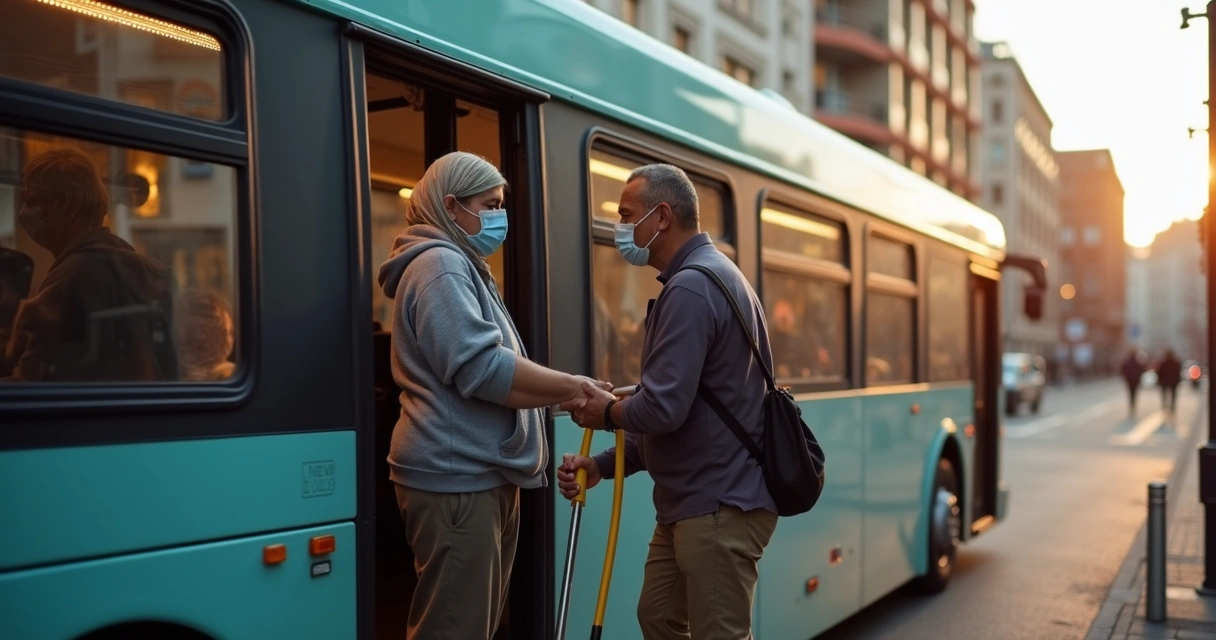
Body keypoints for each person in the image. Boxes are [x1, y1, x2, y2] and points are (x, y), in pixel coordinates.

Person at [376, 151, 609, 640]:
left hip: (475, 473)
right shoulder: (440, 265)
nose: (500, 217)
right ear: (451, 205)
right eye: (490, 205)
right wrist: (573, 387)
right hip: (458, 476)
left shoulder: (460, 264)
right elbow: (482, 368)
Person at [557, 163, 778, 639]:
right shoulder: (708, 276)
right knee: (657, 616)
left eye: (626, 214)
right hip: (692, 503)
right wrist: (603, 465)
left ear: (661, 216)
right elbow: (683, 407)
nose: (619, 226)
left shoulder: (692, 287)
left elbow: (662, 409)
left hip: (716, 504)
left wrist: (604, 412)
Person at [2, 148, 173, 382]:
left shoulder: (75, 275)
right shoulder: (127, 264)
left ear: (71, 207)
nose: (24, 214)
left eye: (34, 202)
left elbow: (33, 382)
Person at [174, 289, 236, 382]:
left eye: (231, 333)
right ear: (203, 332)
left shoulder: (227, 373)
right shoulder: (231, 374)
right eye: (227, 331)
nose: (230, 339)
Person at [1156, 348, 1182, 415]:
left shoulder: (1163, 363)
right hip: (1173, 381)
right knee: (1173, 395)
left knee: (1164, 394)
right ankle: (1172, 407)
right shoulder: (1176, 363)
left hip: (1165, 381)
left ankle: (1164, 405)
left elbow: (1159, 372)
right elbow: (1179, 372)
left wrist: (1160, 380)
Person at [1120, 348, 1145, 417]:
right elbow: (1142, 370)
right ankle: (1133, 406)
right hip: (1135, 380)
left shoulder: (1127, 362)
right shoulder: (1137, 362)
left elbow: (1122, 371)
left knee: (1130, 394)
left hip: (1129, 381)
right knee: (1134, 394)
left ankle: (1131, 406)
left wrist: (1125, 378)